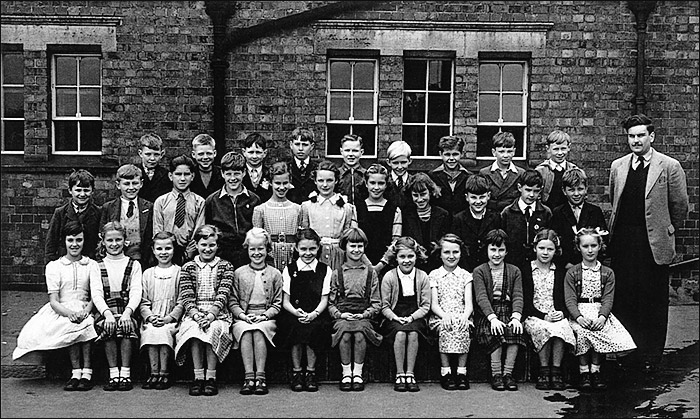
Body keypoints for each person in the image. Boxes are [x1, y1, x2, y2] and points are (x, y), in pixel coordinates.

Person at [608, 114, 689, 374]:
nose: (636, 140)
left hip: (653, 243)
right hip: (624, 242)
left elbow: (680, 206)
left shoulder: (669, 166)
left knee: (652, 301)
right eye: (631, 136)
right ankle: (627, 352)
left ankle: (650, 355)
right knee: (625, 297)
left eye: (641, 135)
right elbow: (614, 200)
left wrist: (667, 229)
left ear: (651, 137)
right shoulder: (618, 166)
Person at [13, 221, 98, 392]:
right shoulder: (54, 267)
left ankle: (87, 372)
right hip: (62, 309)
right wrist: (70, 314)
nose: (75, 244)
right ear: (64, 241)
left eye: (79, 240)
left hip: (86, 306)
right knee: (70, 324)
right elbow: (54, 301)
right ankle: (76, 372)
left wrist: (85, 311)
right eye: (71, 240)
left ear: (84, 241)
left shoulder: (92, 265)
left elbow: (96, 295)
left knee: (86, 322)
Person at [565, 228, 636, 391]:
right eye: (585, 246)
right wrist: (578, 317)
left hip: (599, 312)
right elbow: (570, 299)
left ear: (599, 247)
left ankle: (595, 370)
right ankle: (584, 371)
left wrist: (603, 316)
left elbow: (608, 298)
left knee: (600, 330)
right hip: (579, 312)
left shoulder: (607, 273)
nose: (590, 250)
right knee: (582, 332)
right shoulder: (572, 272)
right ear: (579, 248)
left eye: (593, 245)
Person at [174, 224, 235, 397]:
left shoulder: (226, 266)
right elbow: (186, 295)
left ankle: (211, 377)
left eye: (212, 245)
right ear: (196, 245)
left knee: (212, 330)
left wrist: (210, 315)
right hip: (194, 313)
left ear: (217, 246)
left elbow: (224, 293)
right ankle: (198, 376)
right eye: (203, 245)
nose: (207, 249)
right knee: (195, 331)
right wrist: (195, 314)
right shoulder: (187, 267)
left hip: (218, 313)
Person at [276, 228, 332, 392]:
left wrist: (313, 314)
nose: (308, 253)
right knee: (295, 329)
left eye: (312, 249)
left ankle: (311, 373)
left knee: (314, 329)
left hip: (317, 312)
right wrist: (296, 312)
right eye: (304, 249)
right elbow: (285, 301)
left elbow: (324, 299)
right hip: (294, 312)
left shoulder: (324, 270)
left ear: (318, 248)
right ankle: (297, 373)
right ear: (296, 248)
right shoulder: (289, 269)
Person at [229, 227, 283, 396]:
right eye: (253, 249)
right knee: (245, 332)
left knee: (259, 332)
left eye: (261, 248)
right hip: (244, 317)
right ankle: (248, 377)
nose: (257, 253)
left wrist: (264, 316)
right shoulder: (239, 273)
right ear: (247, 249)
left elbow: (277, 303)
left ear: (268, 249)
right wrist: (243, 316)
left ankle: (260, 376)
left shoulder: (275, 274)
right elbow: (232, 301)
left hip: (266, 317)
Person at [328, 227, 382, 392]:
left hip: (365, 315)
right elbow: (331, 303)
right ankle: (346, 373)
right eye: (352, 246)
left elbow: (377, 303)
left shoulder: (371, 273)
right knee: (344, 333)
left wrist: (364, 314)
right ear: (345, 247)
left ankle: (357, 373)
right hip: (343, 316)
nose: (356, 250)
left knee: (359, 334)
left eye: (360, 246)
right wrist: (340, 314)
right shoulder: (337, 273)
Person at [90, 221, 143, 392]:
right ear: (103, 241)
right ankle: (114, 373)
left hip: (127, 309)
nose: (114, 244)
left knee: (126, 326)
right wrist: (107, 314)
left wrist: (128, 313)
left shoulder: (133, 264)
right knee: (109, 326)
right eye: (110, 240)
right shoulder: (96, 265)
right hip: (106, 311)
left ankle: (125, 373)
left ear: (125, 241)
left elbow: (136, 292)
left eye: (118, 240)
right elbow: (96, 293)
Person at [472, 228, 526, 392]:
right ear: (486, 250)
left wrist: (516, 316)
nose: (497, 254)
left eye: (501, 250)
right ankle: (496, 374)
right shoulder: (479, 271)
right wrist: (492, 318)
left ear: (506, 251)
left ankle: (507, 373)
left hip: (508, 310)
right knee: (494, 331)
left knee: (514, 331)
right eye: (493, 249)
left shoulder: (514, 271)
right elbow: (481, 297)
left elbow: (518, 295)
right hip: (487, 313)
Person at [522, 229, 575, 391]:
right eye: (541, 248)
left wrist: (562, 313)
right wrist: (543, 316)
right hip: (534, 315)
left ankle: (556, 370)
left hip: (555, 313)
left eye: (550, 249)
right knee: (542, 329)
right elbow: (524, 300)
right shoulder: (526, 270)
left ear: (555, 251)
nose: (545, 253)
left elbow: (566, 297)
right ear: (534, 248)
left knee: (561, 328)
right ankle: (544, 370)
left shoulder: (560, 272)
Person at [380, 236, 431, 393]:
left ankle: (410, 373)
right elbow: (384, 306)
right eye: (402, 257)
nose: (406, 261)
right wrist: (395, 317)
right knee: (401, 333)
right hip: (394, 316)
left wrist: (412, 317)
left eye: (410, 256)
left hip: (416, 315)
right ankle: (399, 373)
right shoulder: (389, 276)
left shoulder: (422, 276)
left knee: (413, 333)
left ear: (416, 256)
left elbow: (425, 305)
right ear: (396, 258)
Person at [427, 234, 474, 391]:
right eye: (447, 252)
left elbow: (469, 304)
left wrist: (464, 317)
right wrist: (444, 316)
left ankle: (461, 372)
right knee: (446, 328)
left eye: (455, 252)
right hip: (440, 315)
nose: (451, 256)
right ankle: (446, 372)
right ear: (440, 254)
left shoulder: (466, 276)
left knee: (463, 327)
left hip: (461, 314)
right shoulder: (434, 275)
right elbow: (433, 304)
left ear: (461, 253)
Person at [199, 151, 261, 268]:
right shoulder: (212, 201)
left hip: (246, 254)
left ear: (243, 173)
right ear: (222, 174)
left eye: (236, 174)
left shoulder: (254, 200)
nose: (232, 178)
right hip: (221, 255)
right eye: (228, 174)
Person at [138, 231, 183, 391]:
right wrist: (150, 317)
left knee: (164, 331)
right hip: (152, 318)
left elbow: (182, 300)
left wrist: (169, 318)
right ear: (153, 250)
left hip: (171, 320)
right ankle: (154, 371)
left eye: (168, 249)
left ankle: (164, 372)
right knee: (151, 331)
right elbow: (143, 302)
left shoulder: (179, 272)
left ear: (173, 249)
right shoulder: (148, 273)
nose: (163, 253)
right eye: (159, 249)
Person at [300, 160, 357, 271]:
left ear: (336, 181)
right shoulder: (307, 206)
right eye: (321, 180)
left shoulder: (346, 207)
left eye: (329, 180)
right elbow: (305, 233)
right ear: (315, 181)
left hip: (338, 256)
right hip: (314, 254)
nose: (325, 185)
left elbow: (347, 236)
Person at [152, 154, 206, 266]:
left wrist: (188, 253)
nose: (182, 178)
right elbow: (157, 231)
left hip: (191, 255)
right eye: (178, 174)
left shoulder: (199, 202)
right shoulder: (161, 202)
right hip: (166, 254)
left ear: (192, 176)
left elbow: (199, 232)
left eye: (186, 174)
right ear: (171, 176)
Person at [550, 168, 607, 269]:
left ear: (586, 189)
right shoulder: (557, 213)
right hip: (566, 267)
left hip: (591, 266)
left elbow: (603, 241)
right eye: (571, 190)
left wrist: (592, 263)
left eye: (580, 189)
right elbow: (554, 242)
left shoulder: (595, 211)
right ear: (564, 191)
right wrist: (565, 263)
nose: (576, 194)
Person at [99, 164, 154, 267]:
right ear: (118, 185)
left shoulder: (149, 207)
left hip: (142, 260)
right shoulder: (108, 208)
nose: (131, 188)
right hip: (117, 259)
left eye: (135, 183)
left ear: (141, 184)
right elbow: (102, 234)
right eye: (126, 184)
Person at [252, 161, 302, 273]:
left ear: (290, 183)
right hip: (270, 257)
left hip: (292, 255)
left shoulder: (298, 209)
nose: (281, 187)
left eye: (285, 183)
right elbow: (258, 240)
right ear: (270, 183)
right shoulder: (261, 209)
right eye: (277, 183)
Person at [500, 169, 552, 275]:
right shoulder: (508, 212)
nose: (532, 195)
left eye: (536, 191)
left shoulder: (545, 213)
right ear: (520, 188)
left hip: (537, 266)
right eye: (528, 190)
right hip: (513, 264)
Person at [398, 172, 451, 272]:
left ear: (430, 192)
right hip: (412, 266)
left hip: (438, 266)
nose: (420, 199)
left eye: (423, 194)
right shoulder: (405, 215)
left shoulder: (443, 214)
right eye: (415, 195)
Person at [45, 169, 101, 261]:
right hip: (65, 265)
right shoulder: (60, 213)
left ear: (92, 191)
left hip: (89, 264)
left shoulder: (98, 213)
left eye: (86, 190)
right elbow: (51, 244)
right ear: (70, 190)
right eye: (78, 190)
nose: (82, 194)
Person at [354, 163, 402, 268]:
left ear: (386, 184)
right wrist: (369, 265)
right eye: (372, 183)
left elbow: (395, 241)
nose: (376, 187)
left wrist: (381, 265)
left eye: (381, 183)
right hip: (361, 263)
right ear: (366, 184)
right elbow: (354, 239)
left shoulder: (395, 210)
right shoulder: (356, 209)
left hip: (386, 265)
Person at [452, 174, 502, 272]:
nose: (478, 202)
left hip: (489, 269)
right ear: (467, 197)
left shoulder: (496, 218)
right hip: (466, 269)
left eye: (482, 197)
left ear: (488, 196)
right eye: (474, 197)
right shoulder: (459, 219)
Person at [534, 130, 582, 211]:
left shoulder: (574, 170)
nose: (560, 153)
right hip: (547, 214)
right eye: (556, 149)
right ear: (548, 148)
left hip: (567, 214)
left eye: (563, 149)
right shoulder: (541, 171)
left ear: (569, 147)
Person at [479, 131, 525, 213]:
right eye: (501, 151)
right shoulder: (485, 173)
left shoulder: (521, 173)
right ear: (494, 152)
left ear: (514, 151)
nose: (506, 155)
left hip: (512, 214)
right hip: (491, 215)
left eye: (509, 151)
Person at [429, 135, 472, 215]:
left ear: (461, 154)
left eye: (455, 154)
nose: (451, 158)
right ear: (441, 154)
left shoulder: (468, 176)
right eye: (447, 154)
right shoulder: (433, 176)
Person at [135, 133, 171, 203]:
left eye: (156, 154)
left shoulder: (166, 175)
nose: (152, 158)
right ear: (140, 153)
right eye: (148, 154)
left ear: (162, 154)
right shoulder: (134, 173)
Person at [286, 127, 318, 205]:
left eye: (305, 145)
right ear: (291, 145)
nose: (300, 149)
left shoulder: (318, 169)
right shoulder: (286, 168)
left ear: (312, 146)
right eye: (297, 144)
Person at [189, 133, 224, 200]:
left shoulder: (222, 174)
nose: (205, 157)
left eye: (209, 153)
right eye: (201, 154)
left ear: (214, 153)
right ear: (193, 154)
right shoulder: (189, 174)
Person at [336, 134, 367, 205]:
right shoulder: (336, 174)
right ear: (341, 151)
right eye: (347, 150)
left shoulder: (366, 174)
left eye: (355, 151)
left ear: (361, 152)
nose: (351, 154)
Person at [241, 132, 272, 202]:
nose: (254, 156)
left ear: (265, 153)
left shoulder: (270, 173)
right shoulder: (239, 173)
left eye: (258, 152)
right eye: (251, 152)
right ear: (244, 152)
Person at [384, 140, 413, 210]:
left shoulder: (413, 181)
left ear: (410, 161)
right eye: (395, 163)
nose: (400, 167)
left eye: (403, 162)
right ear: (388, 162)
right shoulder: (384, 182)